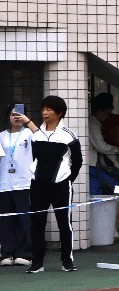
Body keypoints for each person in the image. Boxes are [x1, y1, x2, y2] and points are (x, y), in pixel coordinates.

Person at [20, 96, 81, 273]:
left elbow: (77, 162)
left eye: (49, 109)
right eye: (43, 109)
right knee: (37, 224)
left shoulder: (69, 135)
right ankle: (37, 262)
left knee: (64, 223)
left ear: (60, 113)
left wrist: (67, 180)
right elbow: (34, 158)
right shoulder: (37, 135)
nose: (45, 113)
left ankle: (67, 260)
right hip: (38, 185)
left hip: (61, 186)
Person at [0, 104, 34, 267]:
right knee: (6, 220)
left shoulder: (29, 133)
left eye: (20, 114)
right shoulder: (2, 136)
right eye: (13, 114)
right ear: (8, 117)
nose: (16, 117)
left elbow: (42, 137)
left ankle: (25, 253)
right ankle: (7, 253)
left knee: (24, 219)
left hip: (24, 182)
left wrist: (28, 122)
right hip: (5, 183)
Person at [87, 93, 119, 194]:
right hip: (91, 165)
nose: (107, 117)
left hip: (93, 164)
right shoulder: (92, 124)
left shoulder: (94, 123)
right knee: (98, 189)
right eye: (107, 113)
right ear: (99, 111)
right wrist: (117, 150)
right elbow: (101, 146)